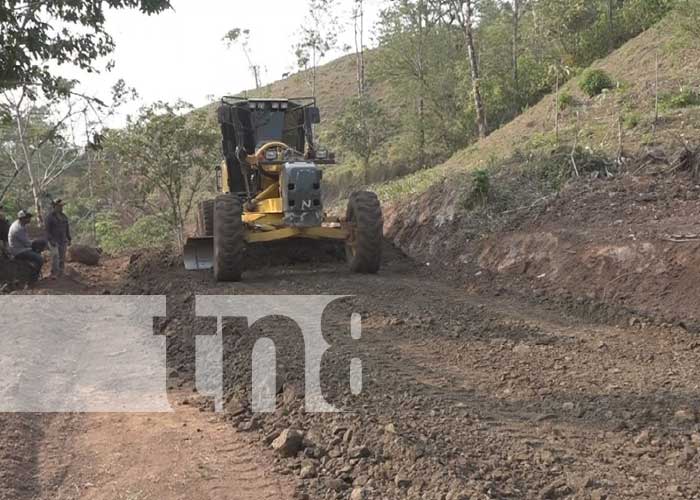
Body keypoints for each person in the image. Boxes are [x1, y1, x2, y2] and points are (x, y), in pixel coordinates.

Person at [8, 210, 44, 280]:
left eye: (29, 217)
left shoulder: (20, 224)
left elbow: (26, 241)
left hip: (21, 247)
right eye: (27, 218)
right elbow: (28, 244)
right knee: (40, 259)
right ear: (22, 218)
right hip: (19, 251)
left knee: (41, 243)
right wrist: (35, 242)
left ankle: (32, 267)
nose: (29, 219)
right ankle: (33, 278)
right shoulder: (18, 228)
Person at [45, 199, 71, 279]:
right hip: (54, 240)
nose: (61, 208)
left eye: (61, 206)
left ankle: (61, 272)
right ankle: (54, 273)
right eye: (59, 206)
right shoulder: (49, 217)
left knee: (62, 257)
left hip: (63, 240)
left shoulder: (64, 216)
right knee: (55, 256)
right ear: (55, 206)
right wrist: (51, 240)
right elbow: (47, 230)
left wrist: (69, 238)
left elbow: (67, 228)